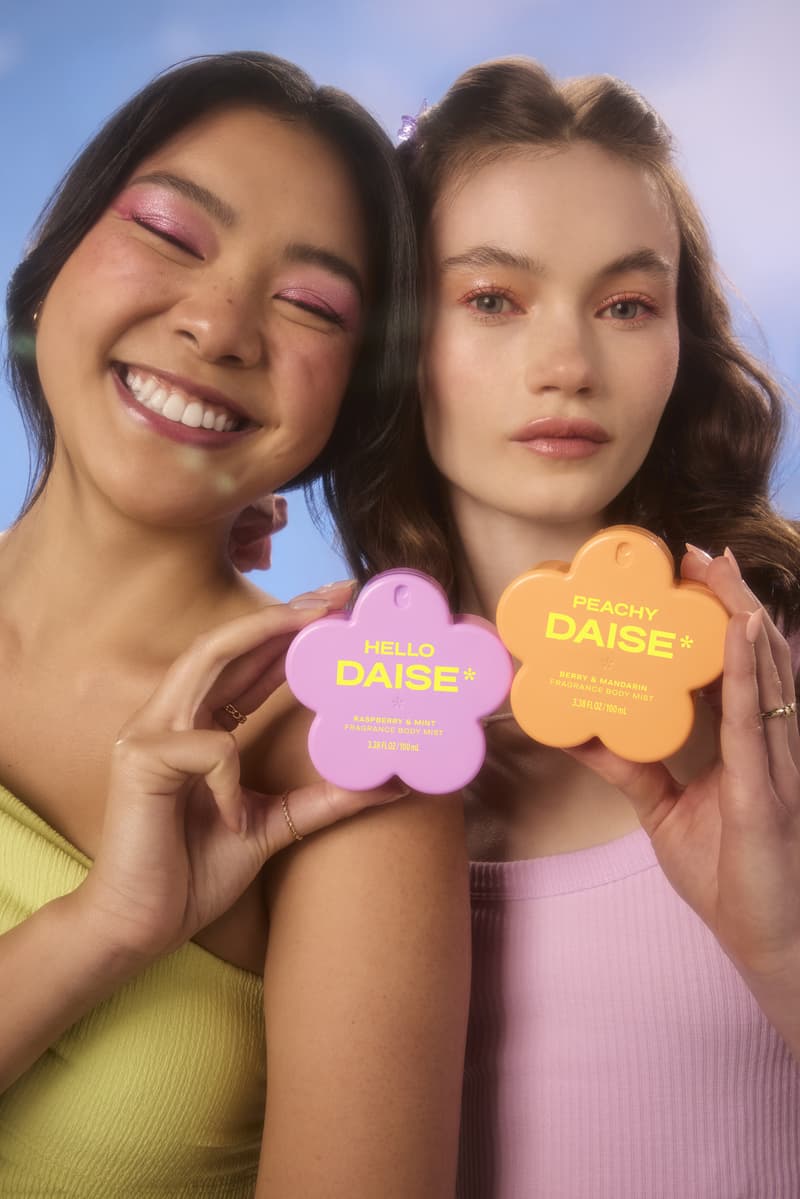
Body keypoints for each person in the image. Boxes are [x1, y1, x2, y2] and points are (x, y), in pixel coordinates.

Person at [0, 52, 470, 1197]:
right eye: (170, 232)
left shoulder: (347, 748)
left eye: (310, 305)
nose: (217, 328)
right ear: (53, 263)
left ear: (349, 399)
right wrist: (100, 929)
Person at [342, 58, 800, 1196]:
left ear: (682, 341)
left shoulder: (778, 680)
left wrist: (785, 947)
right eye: (492, 298)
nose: (567, 368)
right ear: (395, 335)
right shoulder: (320, 727)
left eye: (625, 305)